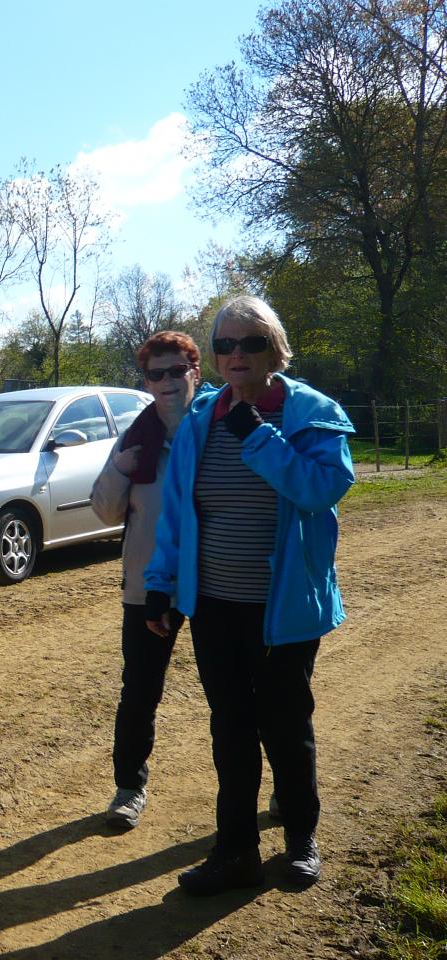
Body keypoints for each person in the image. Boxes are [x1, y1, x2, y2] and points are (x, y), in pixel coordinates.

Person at [144, 295, 354, 895]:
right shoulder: (201, 419)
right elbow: (178, 515)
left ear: (275, 349)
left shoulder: (313, 415)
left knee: (285, 724)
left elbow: (320, 490)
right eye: (224, 345)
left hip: (285, 608)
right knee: (230, 727)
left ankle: (301, 840)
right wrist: (161, 586)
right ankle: (235, 851)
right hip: (215, 605)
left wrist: (257, 437)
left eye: (250, 343)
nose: (236, 355)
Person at [91, 332, 203, 830]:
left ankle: (270, 794)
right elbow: (104, 508)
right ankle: (128, 788)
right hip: (145, 586)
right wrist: (120, 467)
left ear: (195, 372)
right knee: (139, 691)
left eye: (176, 370)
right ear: (146, 381)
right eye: (156, 374)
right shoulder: (136, 437)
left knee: (243, 692)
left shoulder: (216, 430)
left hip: (216, 582)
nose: (167, 382)